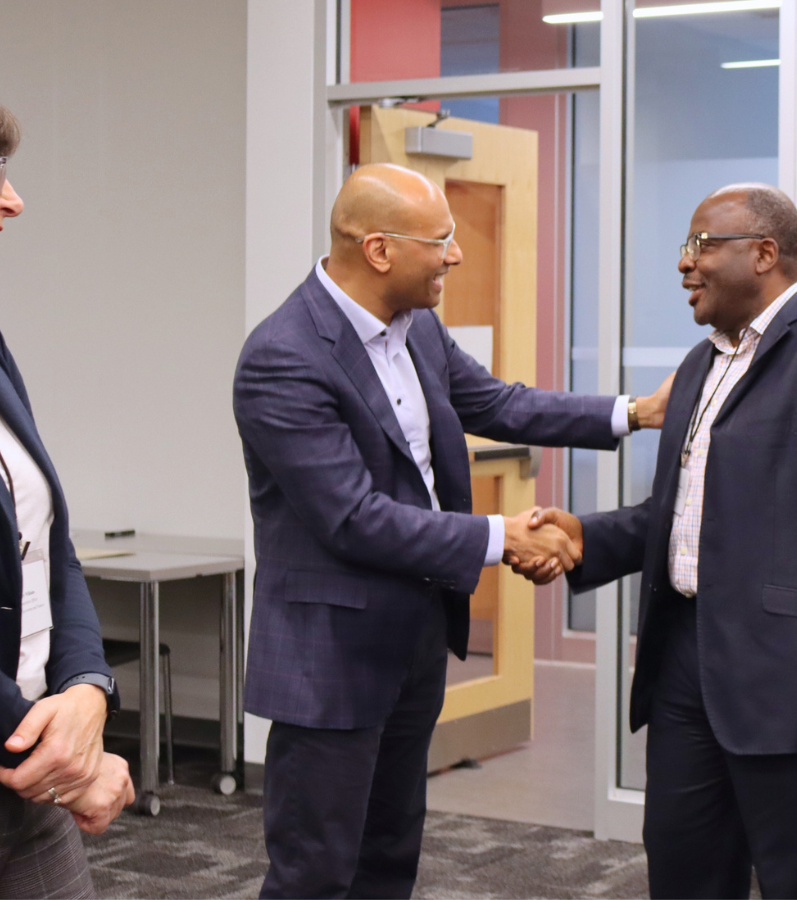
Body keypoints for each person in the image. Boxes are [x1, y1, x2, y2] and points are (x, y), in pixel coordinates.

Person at [233, 163, 672, 899]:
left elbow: (502, 404)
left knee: (389, 852)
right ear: (379, 250)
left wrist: (632, 413)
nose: (455, 254)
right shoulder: (285, 357)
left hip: (412, 638)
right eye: (440, 240)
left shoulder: (418, 330)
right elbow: (352, 517)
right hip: (330, 655)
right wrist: (503, 537)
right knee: (316, 869)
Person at [517, 184, 797, 899]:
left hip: (790, 684)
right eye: (685, 248)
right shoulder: (699, 365)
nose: (684, 265)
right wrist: (585, 536)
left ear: (764, 254)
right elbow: (677, 513)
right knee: (683, 867)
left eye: (702, 246)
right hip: (683, 667)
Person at [0, 103, 135, 898]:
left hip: (34, 772)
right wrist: (50, 748)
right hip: (34, 756)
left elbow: (52, 547)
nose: (14, 201)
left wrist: (87, 690)